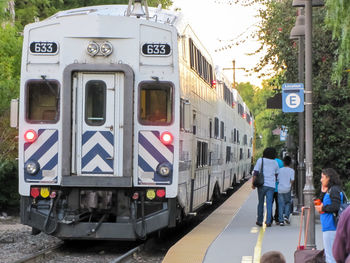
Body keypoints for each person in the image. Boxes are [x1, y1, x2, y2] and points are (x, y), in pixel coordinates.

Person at [315, 168, 342, 263]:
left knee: (331, 257)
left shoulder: (334, 190)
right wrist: (322, 192)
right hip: (329, 226)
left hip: (331, 226)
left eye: (322, 177)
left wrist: (323, 208)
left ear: (329, 178)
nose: (321, 180)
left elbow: (335, 206)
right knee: (331, 255)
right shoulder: (331, 190)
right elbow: (319, 202)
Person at [252, 147, 279, 227]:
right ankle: (268, 221)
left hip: (261, 185)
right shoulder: (275, 162)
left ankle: (259, 221)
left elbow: (255, 173)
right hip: (271, 186)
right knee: (269, 204)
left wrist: (253, 184)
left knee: (260, 203)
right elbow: (277, 174)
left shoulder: (261, 160)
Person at [277, 156, 294, 226]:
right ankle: (286, 216)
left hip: (280, 189)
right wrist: (290, 186)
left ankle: (281, 221)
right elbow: (292, 180)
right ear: (290, 163)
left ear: (283, 162)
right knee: (288, 202)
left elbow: (277, 180)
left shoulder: (279, 170)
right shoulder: (292, 170)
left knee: (281, 204)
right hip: (287, 189)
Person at [273, 157, 284, 224]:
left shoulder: (269, 161)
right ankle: (277, 218)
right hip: (279, 187)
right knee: (279, 204)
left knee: (269, 204)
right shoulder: (280, 162)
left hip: (270, 187)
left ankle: (269, 219)